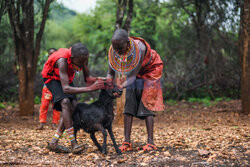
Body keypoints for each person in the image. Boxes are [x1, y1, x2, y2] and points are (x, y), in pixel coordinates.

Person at [107, 29, 165, 152]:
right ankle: (126, 142)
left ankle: (151, 143)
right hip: (135, 73)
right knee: (129, 103)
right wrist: (110, 86)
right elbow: (110, 73)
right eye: (115, 48)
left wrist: (120, 86)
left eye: (120, 48)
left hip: (151, 71)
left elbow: (132, 77)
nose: (117, 52)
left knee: (146, 102)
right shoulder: (114, 51)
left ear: (128, 43)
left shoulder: (140, 48)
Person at [41, 43, 105, 153]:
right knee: (65, 102)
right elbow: (66, 89)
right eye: (79, 63)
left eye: (84, 62)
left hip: (65, 78)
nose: (81, 65)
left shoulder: (82, 58)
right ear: (72, 58)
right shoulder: (62, 61)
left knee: (74, 105)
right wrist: (91, 89)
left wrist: (102, 80)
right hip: (51, 77)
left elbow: (87, 78)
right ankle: (73, 144)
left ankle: (53, 142)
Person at [37, 48, 60, 130]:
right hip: (47, 88)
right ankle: (41, 123)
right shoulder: (47, 64)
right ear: (48, 56)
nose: (52, 56)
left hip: (56, 89)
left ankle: (55, 124)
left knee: (56, 106)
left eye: (54, 54)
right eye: (50, 54)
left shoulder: (60, 64)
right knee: (44, 105)